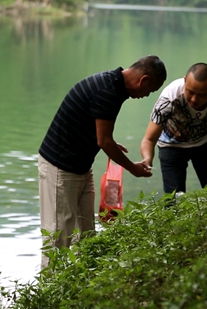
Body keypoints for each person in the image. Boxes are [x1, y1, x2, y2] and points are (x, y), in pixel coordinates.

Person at [38, 55, 166, 269]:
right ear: (143, 80)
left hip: (80, 167)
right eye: (150, 91)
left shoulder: (113, 85)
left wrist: (112, 145)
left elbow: (98, 130)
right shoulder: (108, 91)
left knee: (85, 233)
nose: (146, 96)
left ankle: (80, 287)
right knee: (58, 236)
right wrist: (132, 167)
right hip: (59, 168)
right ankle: (48, 293)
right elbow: (103, 140)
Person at [140, 62, 207, 195]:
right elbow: (149, 139)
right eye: (190, 92)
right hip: (171, 146)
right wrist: (147, 160)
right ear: (185, 81)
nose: (194, 99)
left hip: (205, 142)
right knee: (173, 200)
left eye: (201, 95)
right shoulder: (168, 99)